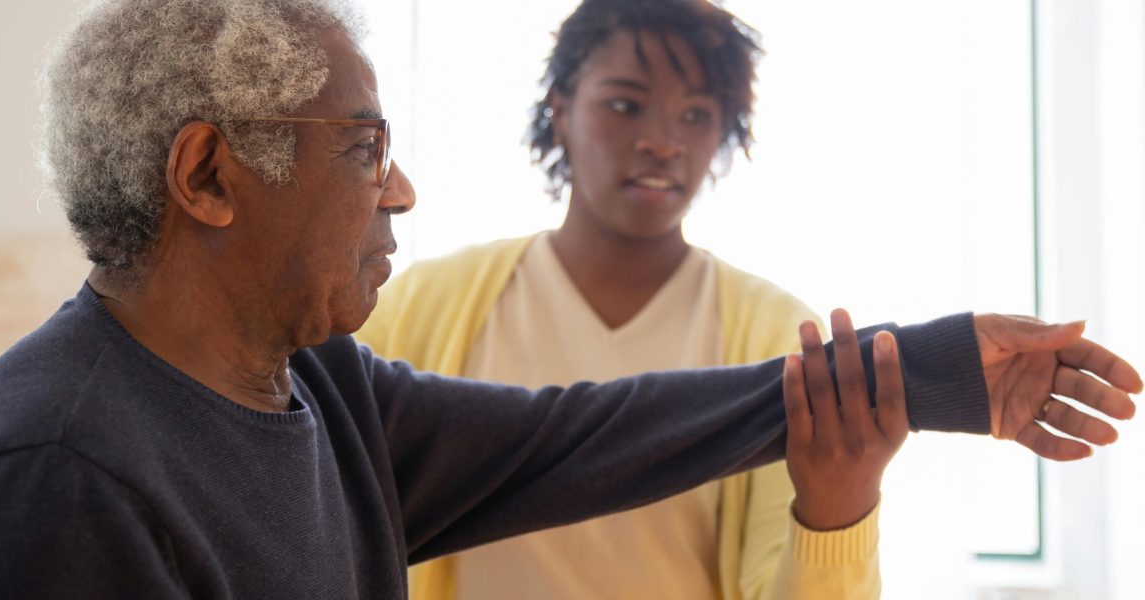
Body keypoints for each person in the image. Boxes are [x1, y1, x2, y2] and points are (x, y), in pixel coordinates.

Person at [0, 1, 1137, 599]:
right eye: (362, 146)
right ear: (208, 175)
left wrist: (931, 374)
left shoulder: (319, 380)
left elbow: (585, 436)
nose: (401, 188)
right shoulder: (56, 473)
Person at [353, 1, 1133, 599]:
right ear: (561, 106)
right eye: (626, 104)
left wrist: (839, 504)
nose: (664, 140)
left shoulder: (775, 333)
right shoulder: (423, 305)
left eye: (698, 115)